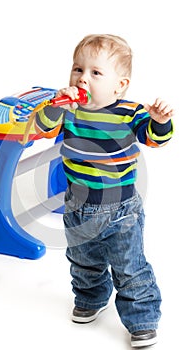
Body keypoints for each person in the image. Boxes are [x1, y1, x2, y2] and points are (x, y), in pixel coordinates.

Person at [33, 34, 174, 348]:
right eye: (77, 69)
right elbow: (43, 126)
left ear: (119, 85)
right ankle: (90, 298)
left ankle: (142, 319)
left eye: (95, 73)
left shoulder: (129, 111)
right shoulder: (69, 111)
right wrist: (56, 104)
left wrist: (159, 121)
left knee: (129, 266)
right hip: (78, 206)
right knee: (83, 260)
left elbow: (155, 139)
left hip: (121, 209)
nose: (83, 77)